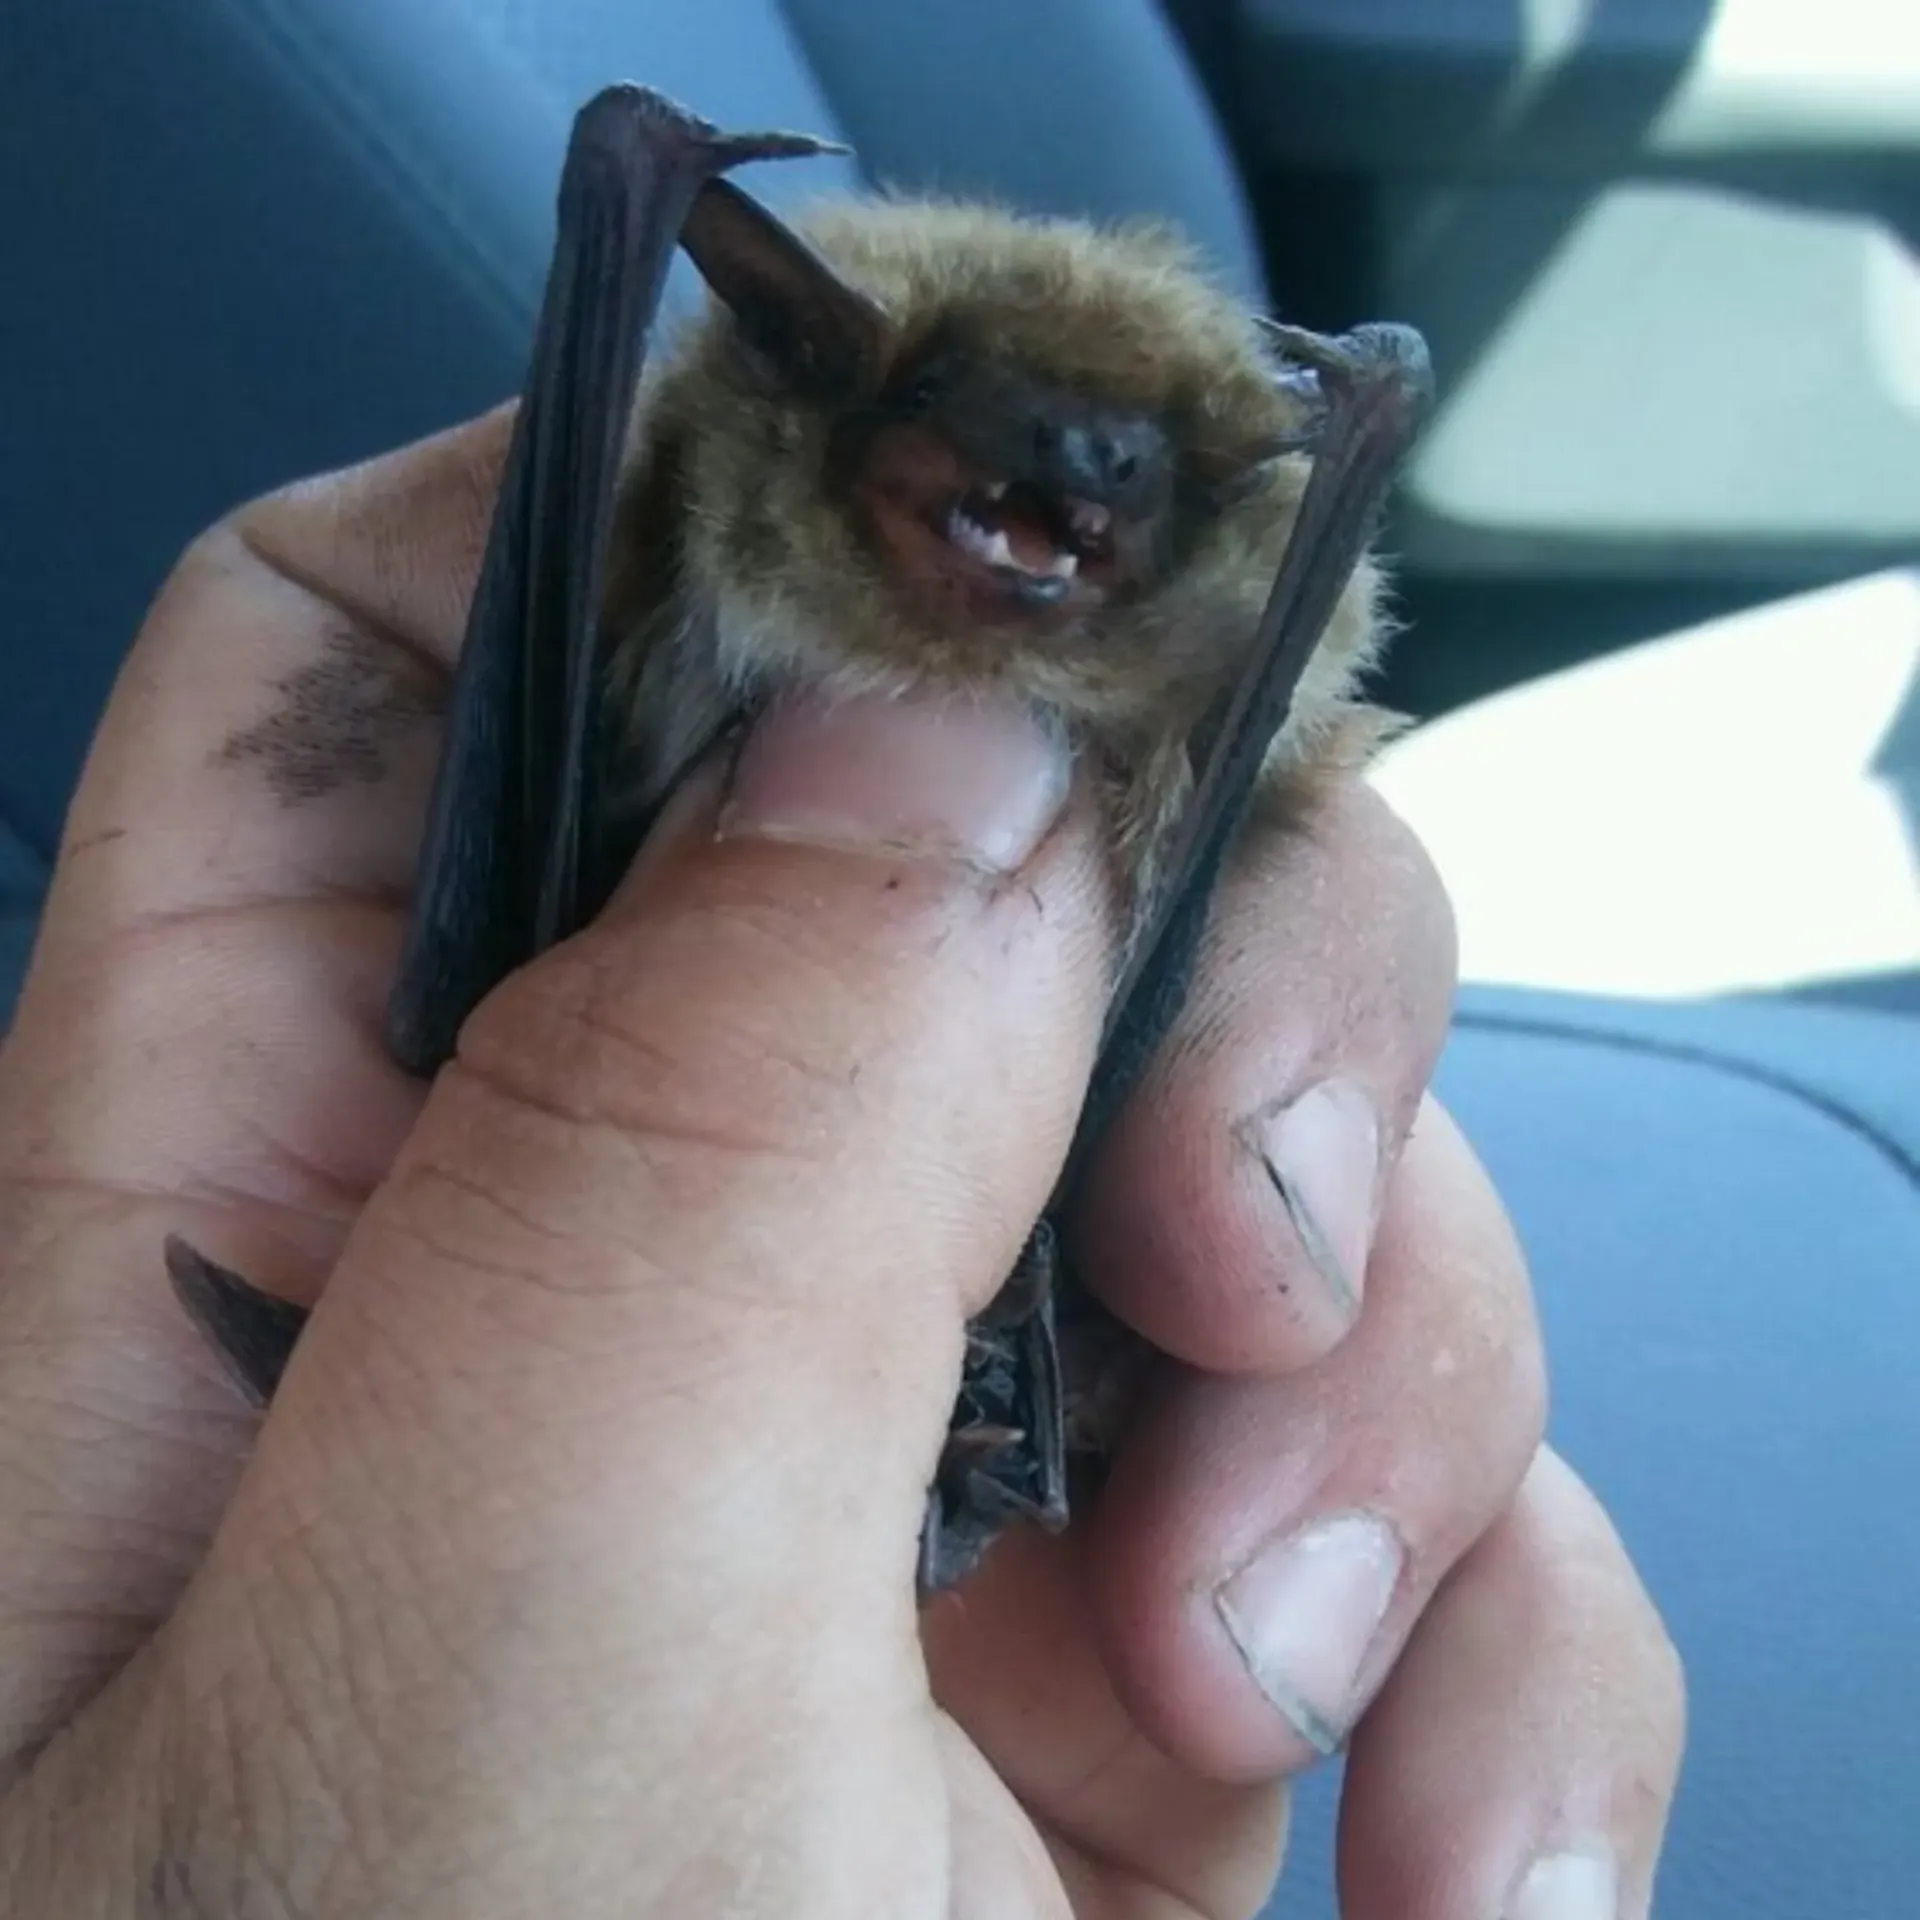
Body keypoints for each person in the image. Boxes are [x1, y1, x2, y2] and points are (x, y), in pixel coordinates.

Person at [0, 406, 1682, 1918]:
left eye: (1106, 505)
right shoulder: (689, 579)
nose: (1035, 519)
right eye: (968, 469)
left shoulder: (1130, 769)